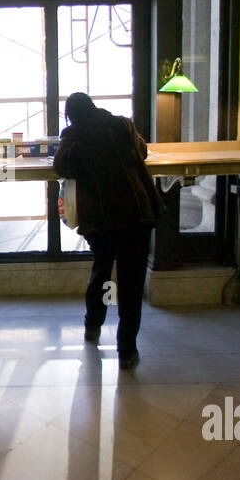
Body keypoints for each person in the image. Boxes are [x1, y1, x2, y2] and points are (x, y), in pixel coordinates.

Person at [53, 92, 163, 370]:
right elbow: (143, 151)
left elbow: (62, 167)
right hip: (138, 214)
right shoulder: (123, 126)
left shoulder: (74, 136)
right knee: (131, 282)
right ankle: (127, 350)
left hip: (102, 219)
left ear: (71, 115)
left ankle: (93, 325)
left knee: (102, 270)